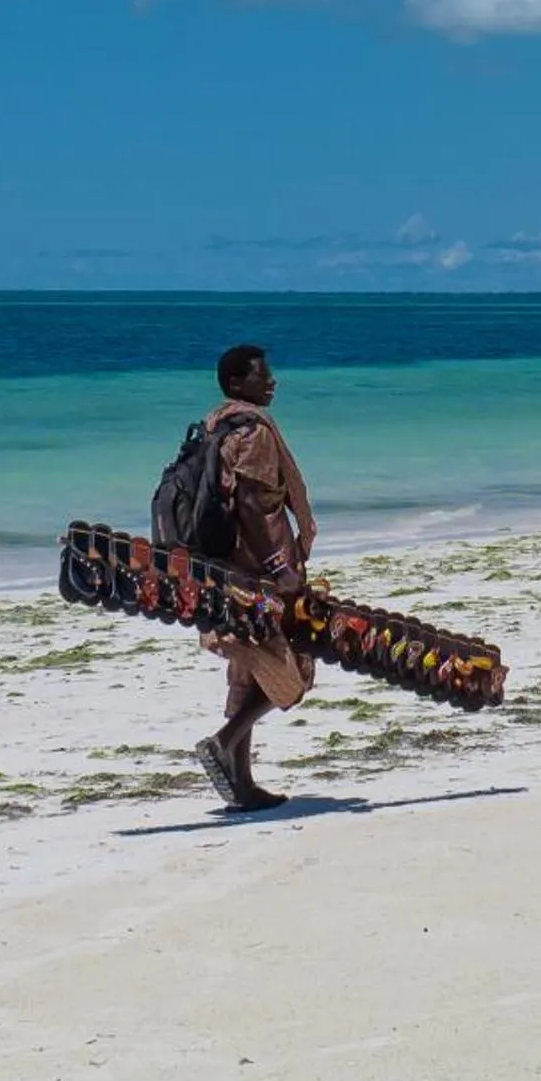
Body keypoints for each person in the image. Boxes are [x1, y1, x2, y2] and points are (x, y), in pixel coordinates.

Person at [194, 344, 317, 812]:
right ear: (236, 385)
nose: (273, 381)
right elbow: (249, 502)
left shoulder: (216, 424)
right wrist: (279, 569)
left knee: (246, 667)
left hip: (225, 565)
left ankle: (243, 787)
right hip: (259, 571)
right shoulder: (255, 433)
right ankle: (225, 740)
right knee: (291, 667)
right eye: (261, 375)